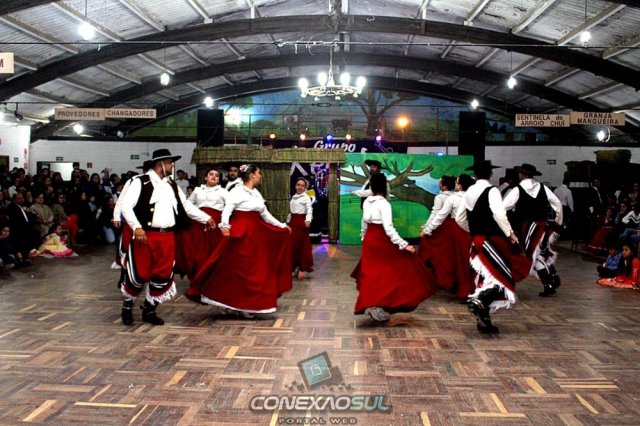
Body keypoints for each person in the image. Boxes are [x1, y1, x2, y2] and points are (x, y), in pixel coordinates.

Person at [119, 149, 216, 326]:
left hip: (167, 237)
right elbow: (126, 206)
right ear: (160, 164)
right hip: (145, 237)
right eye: (170, 163)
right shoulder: (140, 182)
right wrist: (137, 227)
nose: (172, 166)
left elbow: (186, 206)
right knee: (138, 274)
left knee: (162, 275)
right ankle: (127, 307)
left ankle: (149, 309)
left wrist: (206, 218)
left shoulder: (171, 185)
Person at [194, 164, 292, 318]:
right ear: (252, 175)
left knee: (253, 269)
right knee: (238, 270)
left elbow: (265, 214)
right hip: (240, 234)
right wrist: (224, 225)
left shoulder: (256, 193)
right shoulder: (237, 191)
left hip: (254, 235)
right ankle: (232, 303)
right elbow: (227, 209)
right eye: (259, 173)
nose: (260, 176)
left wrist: (281, 225)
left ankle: (247, 304)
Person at [456, 160, 530, 334]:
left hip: (477, 241)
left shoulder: (468, 192)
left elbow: (460, 218)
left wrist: (474, 231)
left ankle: (484, 319)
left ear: (475, 175)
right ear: (490, 174)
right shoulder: (492, 190)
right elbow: (499, 214)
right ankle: (481, 300)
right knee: (501, 276)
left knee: (485, 277)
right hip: (493, 240)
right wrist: (510, 233)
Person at [351, 173, 435, 323]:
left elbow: (364, 222)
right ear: (385, 187)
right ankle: (376, 303)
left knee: (372, 272)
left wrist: (364, 236)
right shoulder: (384, 203)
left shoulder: (367, 201)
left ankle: (372, 302)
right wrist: (404, 245)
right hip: (381, 239)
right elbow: (389, 228)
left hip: (370, 239)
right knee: (390, 271)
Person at [503, 163, 564, 297]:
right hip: (543, 225)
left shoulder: (518, 189)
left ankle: (549, 283)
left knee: (533, 256)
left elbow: (504, 206)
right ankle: (553, 278)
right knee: (542, 253)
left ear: (522, 175)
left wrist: (502, 221)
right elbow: (557, 203)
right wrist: (558, 222)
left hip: (528, 227)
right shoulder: (543, 187)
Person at [420, 174, 475, 300]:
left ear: (460, 185)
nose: (456, 183)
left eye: (457, 182)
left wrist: (427, 230)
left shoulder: (453, 198)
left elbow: (439, 215)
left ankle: (460, 287)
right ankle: (470, 287)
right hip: (471, 232)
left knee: (457, 260)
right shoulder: (473, 198)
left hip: (457, 231)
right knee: (468, 260)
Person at [176, 167, 227, 302]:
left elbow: (229, 208)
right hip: (198, 224)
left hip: (215, 226)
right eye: (211, 174)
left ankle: (212, 285)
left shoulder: (223, 191)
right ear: (205, 177)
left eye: (216, 175)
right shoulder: (198, 190)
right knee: (198, 254)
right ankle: (198, 282)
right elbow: (188, 205)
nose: (214, 176)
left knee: (213, 254)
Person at [288, 177, 314, 279]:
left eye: (302, 186)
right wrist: (288, 220)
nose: (300, 187)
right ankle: (293, 267)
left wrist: (308, 220)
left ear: (305, 187)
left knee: (301, 246)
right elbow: (292, 210)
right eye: (298, 185)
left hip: (300, 223)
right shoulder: (294, 196)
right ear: (295, 186)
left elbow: (309, 209)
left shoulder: (306, 197)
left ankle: (302, 268)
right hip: (293, 222)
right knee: (292, 246)